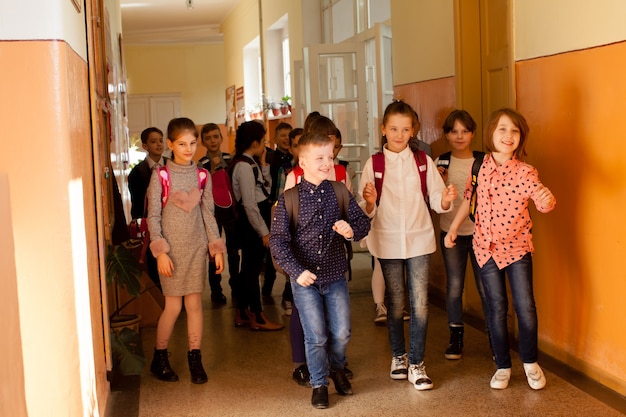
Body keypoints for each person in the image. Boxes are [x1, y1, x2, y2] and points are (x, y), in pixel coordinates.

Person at [444, 108, 556, 390]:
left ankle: (530, 362)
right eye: (502, 129)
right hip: (486, 249)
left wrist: (547, 199)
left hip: (517, 250)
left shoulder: (526, 172)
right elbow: (470, 201)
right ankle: (503, 365)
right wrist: (455, 229)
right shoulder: (479, 165)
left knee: (525, 307)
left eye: (515, 131)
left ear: (521, 138)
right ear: (491, 133)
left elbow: (543, 203)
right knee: (495, 308)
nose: (508, 136)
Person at [358, 100, 457, 391]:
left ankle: (416, 363)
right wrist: (370, 202)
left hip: (418, 239)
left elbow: (436, 199)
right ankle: (398, 356)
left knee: (420, 304)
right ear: (383, 130)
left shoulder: (422, 161)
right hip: (387, 240)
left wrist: (447, 199)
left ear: (413, 130)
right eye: (393, 128)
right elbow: (367, 210)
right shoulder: (373, 164)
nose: (399, 134)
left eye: (405, 128)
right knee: (396, 302)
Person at [270, 132, 371, 409]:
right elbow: (277, 241)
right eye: (320, 158)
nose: (327, 163)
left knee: (341, 333)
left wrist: (351, 231)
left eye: (330, 157)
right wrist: (295, 271)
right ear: (302, 162)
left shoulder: (339, 192)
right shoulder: (289, 199)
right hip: (304, 280)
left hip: (335, 275)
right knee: (316, 335)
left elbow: (363, 224)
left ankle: (337, 368)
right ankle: (319, 384)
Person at [146, 117, 226, 384]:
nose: (189, 148)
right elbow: (153, 217)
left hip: (195, 249)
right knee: (172, 307)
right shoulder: (161, 176)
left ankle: (195, 357)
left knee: (194, 305)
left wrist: (216, 249)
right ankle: (160, 357)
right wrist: (160, 252)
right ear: (170, 144)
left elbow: (208, 214)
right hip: (170, 253)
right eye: (182, 144)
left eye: (193, 143)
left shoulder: (202, 175)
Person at [435, 110, 490, 360]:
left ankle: (494, 336)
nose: (459, 136)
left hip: (482, 235)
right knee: (455, 286)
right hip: (451, 234)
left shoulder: (484, 160)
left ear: (473, 134)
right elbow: (433, 199)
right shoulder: (441, 162)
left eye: (465, 131)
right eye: (454, 131)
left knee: (486, 286)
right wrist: (438, 183)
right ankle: (455, 336)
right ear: (446, 134)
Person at [229, 121, 284, 331]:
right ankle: (258, 317)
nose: (265, 145)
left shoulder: (250, 162)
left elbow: (265, 188)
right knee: (252, 271)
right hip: (250, 223)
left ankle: (243, 312)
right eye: (263, 141)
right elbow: (250, 204)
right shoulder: (243, 166)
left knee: (248, 270)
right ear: (254, 142)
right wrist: (264, 232)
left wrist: (264, 164)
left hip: (252, 221)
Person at [198, 123, 235, 305]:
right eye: (208, 138)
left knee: (233, 248)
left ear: (221, 138)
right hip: (211, 212)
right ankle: (216, 290)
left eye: (215, 136)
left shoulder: (230, 159)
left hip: (229, 210)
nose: (212, 141)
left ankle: (236, 286)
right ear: (202, 141)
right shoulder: (200, 164)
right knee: (213, 250)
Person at [128, 127, 165, 290]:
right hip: (151, 224)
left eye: (160, 140)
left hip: (172, 222)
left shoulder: (172, 166)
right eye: (153, 141)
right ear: (145, 146)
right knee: (154, 260)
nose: (158, 144)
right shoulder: (137, 173)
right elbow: (137, 204)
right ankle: (159, 296)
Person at [262, 122, 293, 297]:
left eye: (289, 135)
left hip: (289, 207)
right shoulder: (271, 158)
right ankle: (267, 285)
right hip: (273, 206)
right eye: (282, 135)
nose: (286, 139)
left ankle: (288, 289)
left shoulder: (295, 157)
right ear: (275, 139)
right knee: (271, 248)